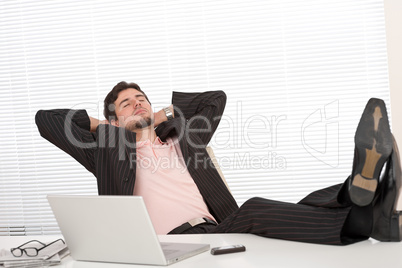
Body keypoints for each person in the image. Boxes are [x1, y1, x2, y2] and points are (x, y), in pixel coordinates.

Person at [35, 81, 402, 245]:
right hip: (165, 243)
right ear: (114, 119)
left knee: (257, 208)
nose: (138, 104)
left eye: (141, 98)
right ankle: (371, 214)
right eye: (127, 103)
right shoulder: (105, 151)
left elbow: (216, 99)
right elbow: (46, 120)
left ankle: (363, 196)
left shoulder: (184, 136)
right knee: (265, 210)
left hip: (219, 227)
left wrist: (164, 111)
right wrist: (112, 126)